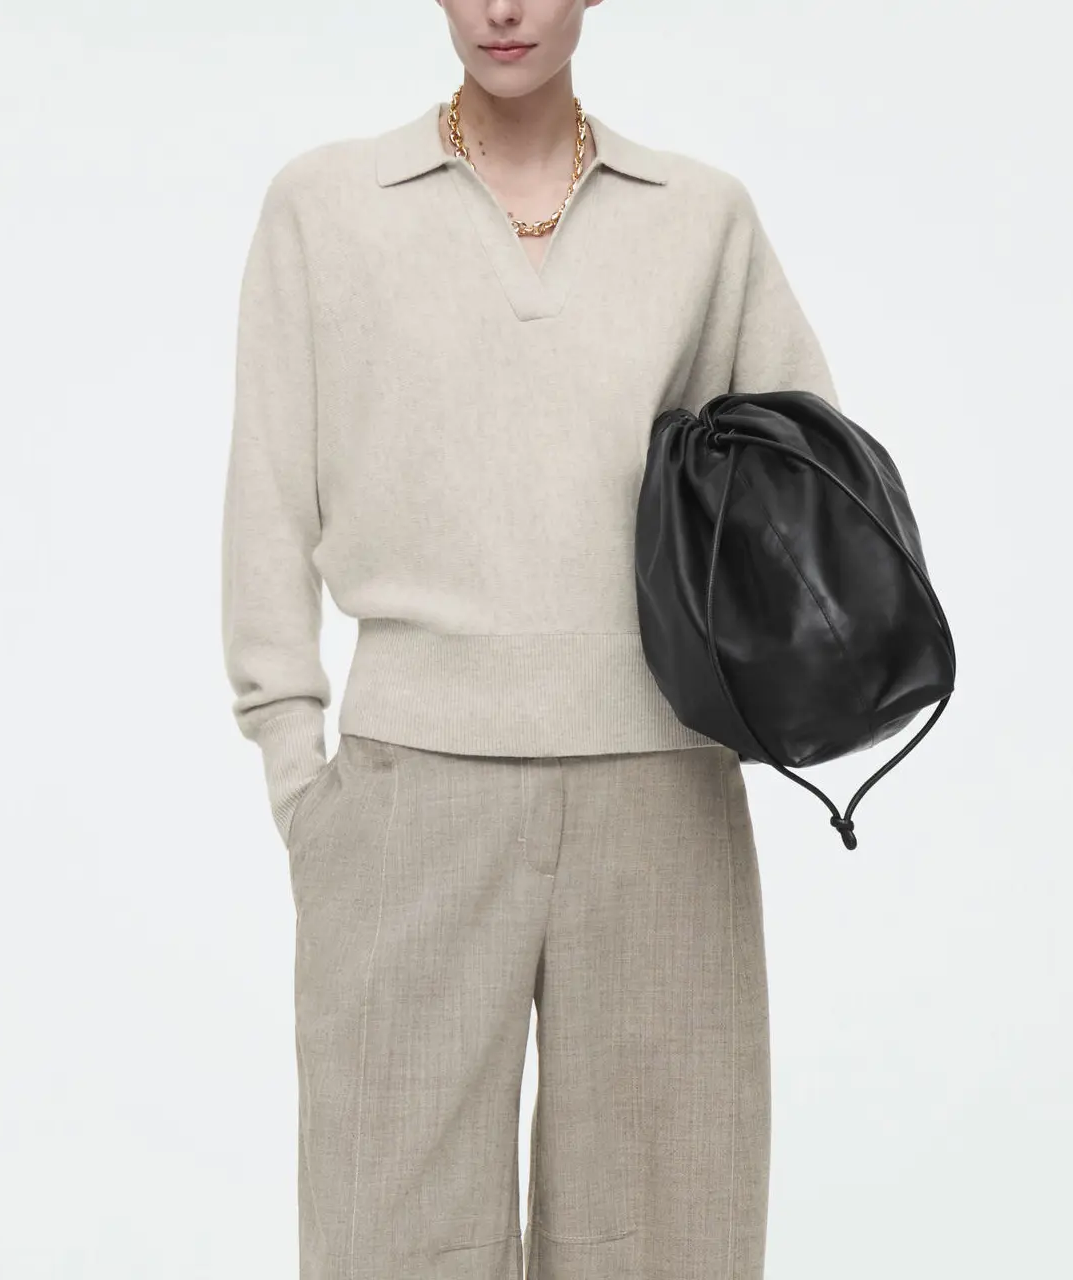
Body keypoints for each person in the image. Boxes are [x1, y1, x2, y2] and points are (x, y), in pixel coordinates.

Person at [220, 2, 839, 1276]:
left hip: (659, 795)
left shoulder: (698, 218)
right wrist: (298, 773)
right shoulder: (326, 208)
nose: (503, 8)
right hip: (405, 797)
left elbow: (806, 494)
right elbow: (267, 500)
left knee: (671, 1238)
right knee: (386, 1242)